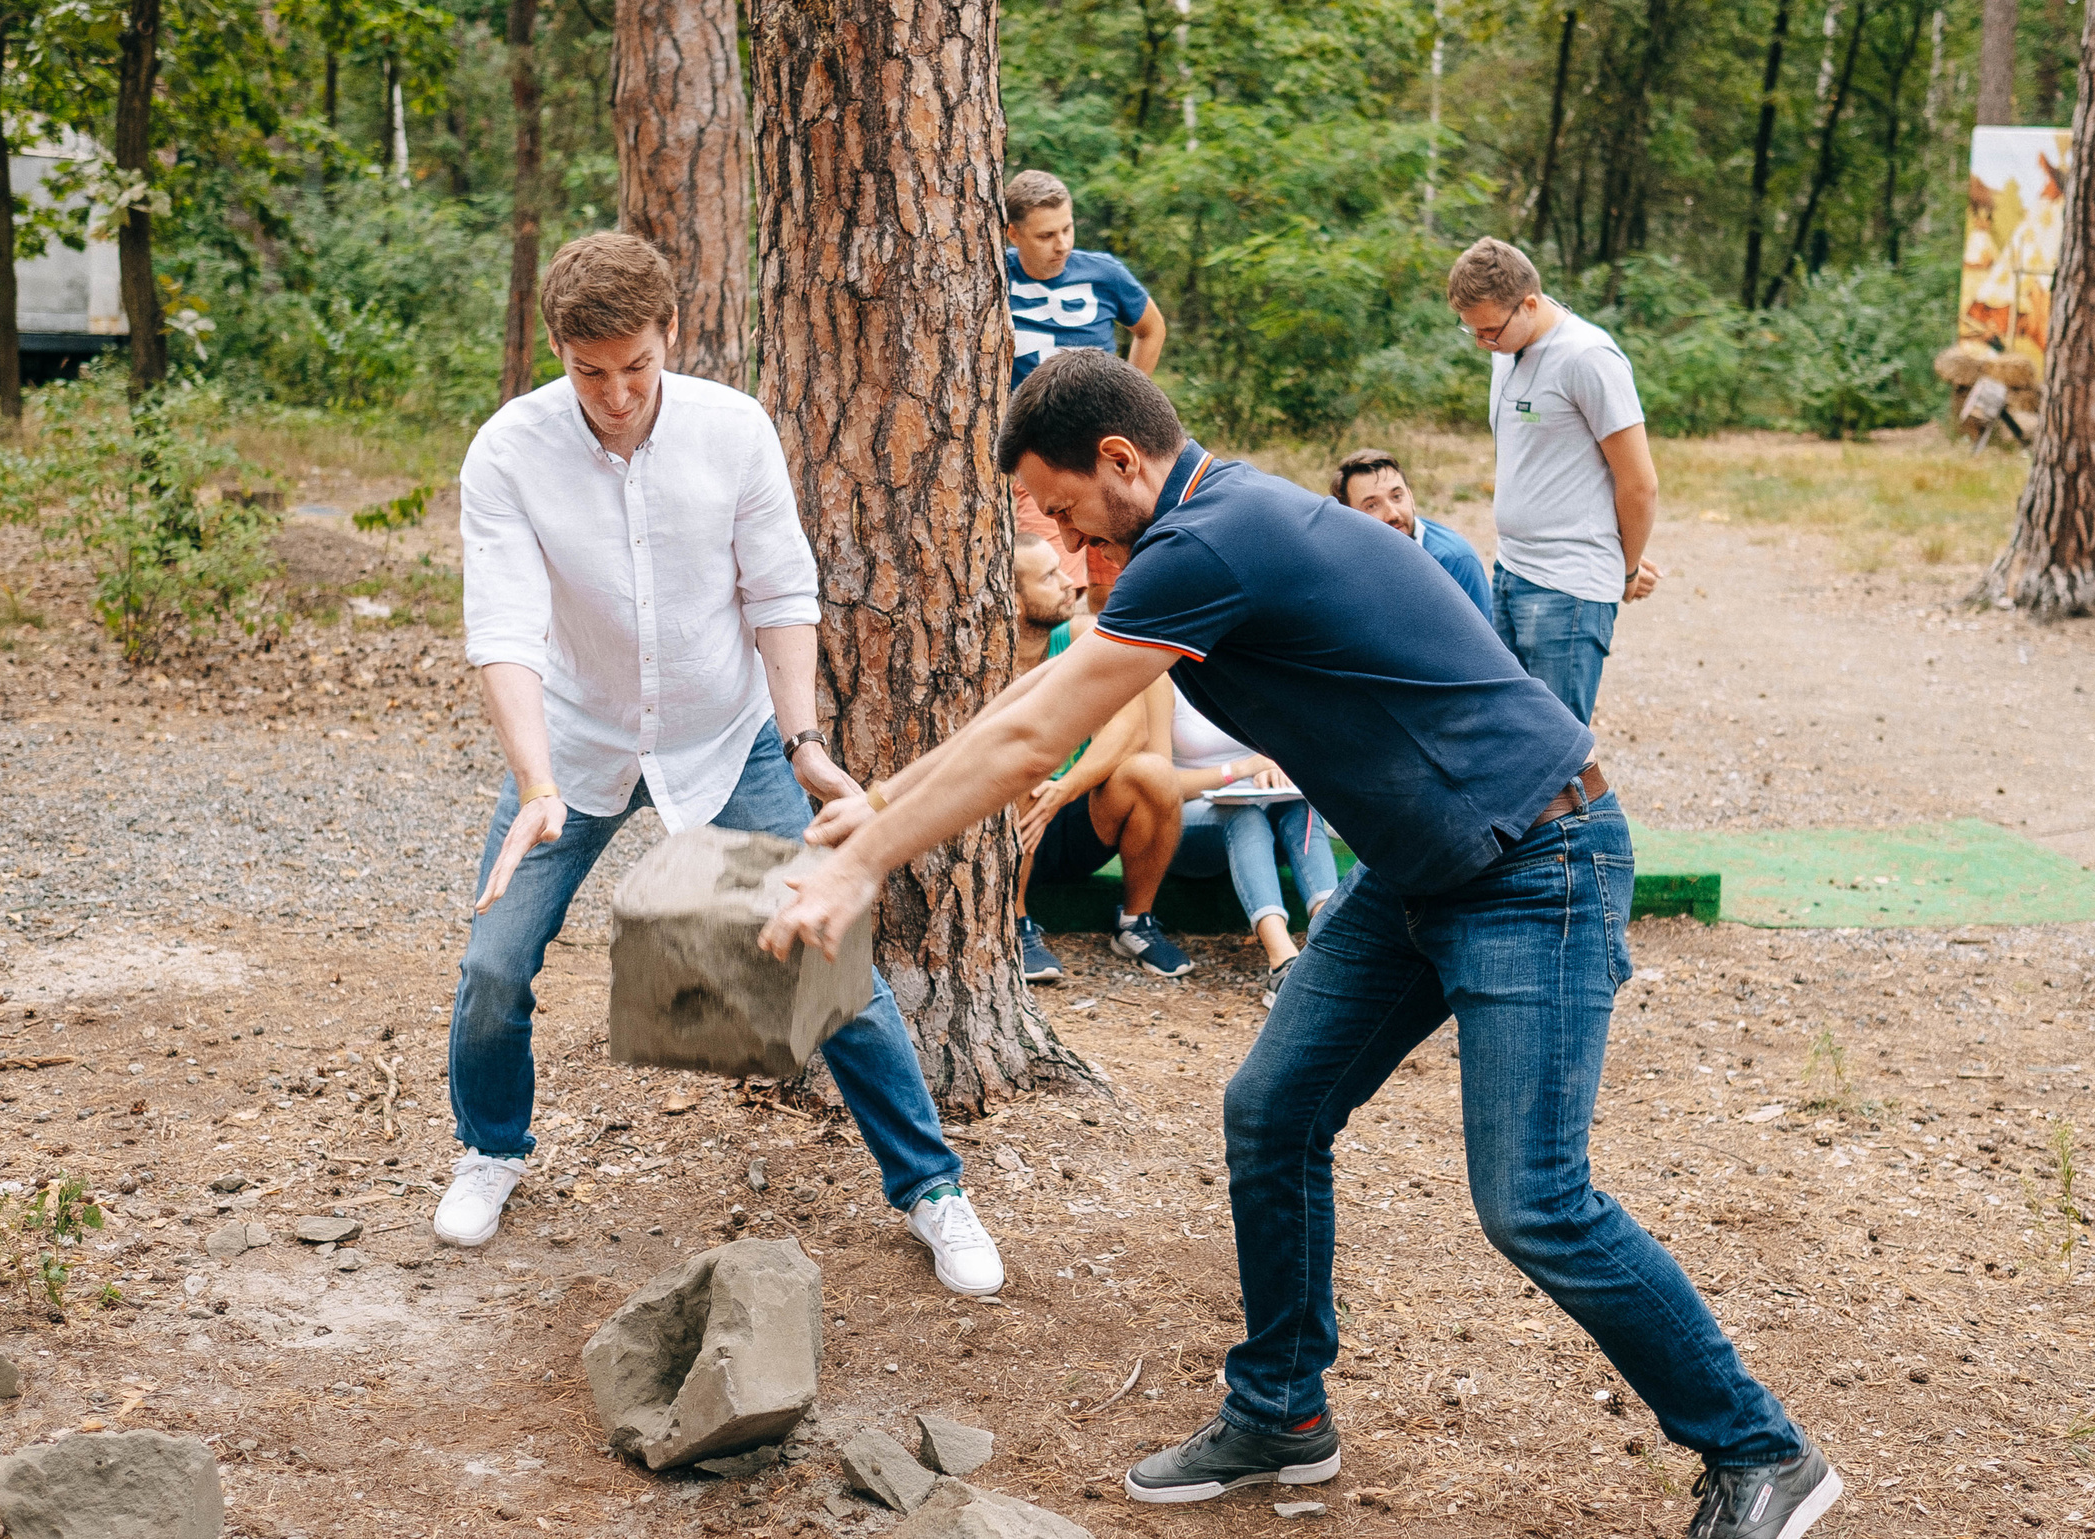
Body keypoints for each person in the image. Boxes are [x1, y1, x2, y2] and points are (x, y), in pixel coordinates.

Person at [761, 348, 1839, 1539]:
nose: (1065, 550)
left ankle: (1761, 1452)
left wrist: (858, 864)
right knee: (1272, 1111)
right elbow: (1025, 713)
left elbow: (1032, 746)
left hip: (1539, 860)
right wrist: (881, 805)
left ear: (1122, 461)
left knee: (1533, 1201)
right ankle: (1281, 1412)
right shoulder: (1211, 525)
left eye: (1065, 512)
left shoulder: (1210, 542)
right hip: (1422, 869)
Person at [443, 230, 1004, 1298]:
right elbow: (504, 627)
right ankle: (491, 1150)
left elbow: (779, 592)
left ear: (670, 335)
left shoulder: (732, 430)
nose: (615, 395)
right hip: (579, 742)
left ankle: (931, 1188)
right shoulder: (509, 451)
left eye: (636, 368)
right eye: (589, 373)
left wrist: (801, 741)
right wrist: (534, 784)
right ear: (557, 352)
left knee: (827, 956)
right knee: (493, 962)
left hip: (727, 733)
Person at [1447, 239, 1661, 725]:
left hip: (1566, 591)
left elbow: (1639, 483)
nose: (1483, 343)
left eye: (1489, 330)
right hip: (1509, 571)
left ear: (1529, 303)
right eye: (1472, 331)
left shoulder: (1588, 358)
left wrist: (1624, 571)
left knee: (1555, 752)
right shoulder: (1508, 345)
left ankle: (1592, 809)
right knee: (1504, 733)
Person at [1005, 533, 1194, 981]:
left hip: (1073, 817)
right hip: (999, 835)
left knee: (1152, 773)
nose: (1070, 584)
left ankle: (1135, 922)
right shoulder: (979, 657)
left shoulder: (1080, 636)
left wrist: (1065, 789)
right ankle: (1014, 922)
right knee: (1020, 773)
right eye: (1049, 577)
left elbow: (1130, 729)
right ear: (1011, 599)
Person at [1006, 169, 1168, 612]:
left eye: (1067, 228)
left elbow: (1150, 329)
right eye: (1045, 235)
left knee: (1118, 589)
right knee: (1056, 590)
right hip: (1040, 458)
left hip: (1109, 456)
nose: (1061, 244)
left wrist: (1132, 398)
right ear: (1013, 233)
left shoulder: (1102, 272)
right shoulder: (993, 273)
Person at [1162, 681, 1336, 1004]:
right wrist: (1241, 768)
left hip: (1262, 806)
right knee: (1244, 817)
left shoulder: (1247, 663)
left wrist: (1281, 765)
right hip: (1185, 824)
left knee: (1300, 808)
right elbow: (1157, 783)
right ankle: (1282, 963)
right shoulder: (1165, 678)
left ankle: (1337, 944)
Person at [1331, 447, 1493, 620]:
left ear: (1411, 496)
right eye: (1372, 505)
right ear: (1347, 517)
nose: (1393, 514)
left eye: (1397, 496)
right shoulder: (1340, 563)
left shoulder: (1452, 560)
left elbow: (1475, 644)